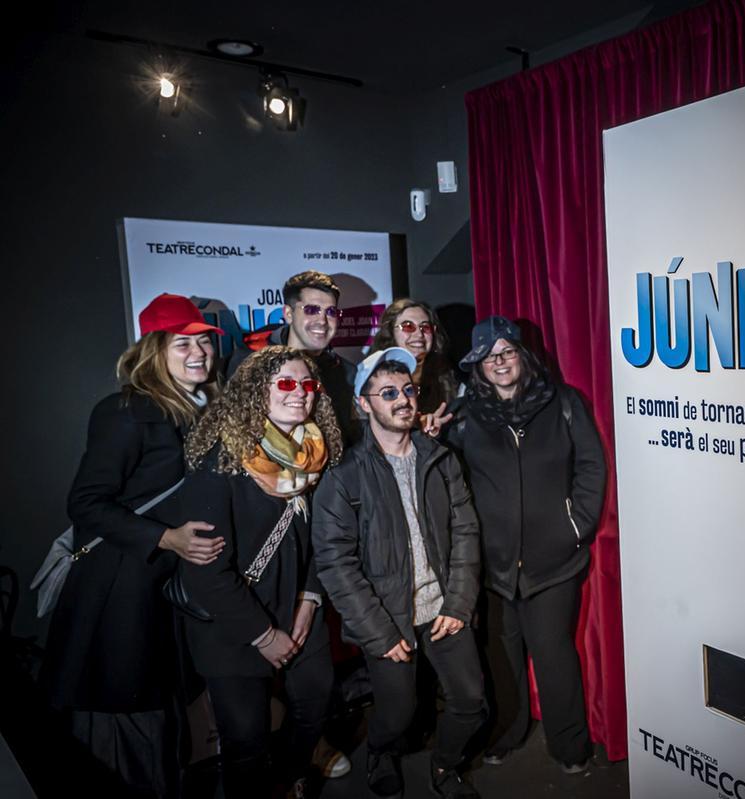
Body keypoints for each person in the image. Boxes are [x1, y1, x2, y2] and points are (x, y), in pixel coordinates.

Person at [40, 293, 224, 797]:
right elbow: (86, 503)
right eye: (182, 343)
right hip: (116, 596)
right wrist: (164, 537)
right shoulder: (124, 411)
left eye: (204, 342)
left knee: (160, 723)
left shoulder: (198, 410)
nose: (198, 353)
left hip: (160, 594)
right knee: (123, 728)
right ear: (153, 349)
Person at [313, 348, 485, 798]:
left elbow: (465, 531)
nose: (403, 399)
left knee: (471, 703)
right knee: (397, 714)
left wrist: (459, 603)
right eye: (388, 392)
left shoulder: (441, 459)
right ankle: (381, 752)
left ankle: (446, 767)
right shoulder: (344, 477)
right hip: (388, 619)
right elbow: (335, 563)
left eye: (408, 389)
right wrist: (380, 632)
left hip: (444, 609)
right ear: (364, 403)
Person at [177, 345, 342, 798]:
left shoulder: (316, 456)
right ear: (255, 392)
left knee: (316, 700)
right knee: (245, 738)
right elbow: (204, 572)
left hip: (298, 606)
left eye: (308, 385)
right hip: (232, 620)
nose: (300, 394)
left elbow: (323, 543)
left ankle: (286, 779)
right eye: (286, 384)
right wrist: (264, 635)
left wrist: (311, 599)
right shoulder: (219, 462)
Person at [449, 315, 606, 773]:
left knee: (554, 654)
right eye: (488, 356)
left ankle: (570, 746)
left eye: (507, 352)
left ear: (523, 355)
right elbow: (453, 483)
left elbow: (592, 467)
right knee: (501, 658)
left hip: (554, 562)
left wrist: (574, 527)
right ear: (477, 366)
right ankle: (506, 734)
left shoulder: (563, 402)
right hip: (492, 566)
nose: (499, 362)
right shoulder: (465, 416)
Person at [227, 270, 358, 443]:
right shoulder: (250, 362)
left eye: (331, 312)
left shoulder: (346, 373)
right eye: (312, 310)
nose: (323, 320)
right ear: (288, 314)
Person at [367, 299, 461, 416]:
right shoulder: (373, 377)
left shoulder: (446, 376)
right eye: (408, 326)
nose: (419, 334)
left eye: (425, 327)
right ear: (390, 332)